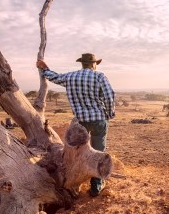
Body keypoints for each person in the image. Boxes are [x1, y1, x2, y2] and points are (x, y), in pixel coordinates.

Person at [36, 53, 115, 196]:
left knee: (80, 151)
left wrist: (44, 68)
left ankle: (74, 179)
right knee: (98, 150)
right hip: (98, 119)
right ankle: (96, 186)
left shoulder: (71, 76)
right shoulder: (99, 76)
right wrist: (110, 113)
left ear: (82, 63)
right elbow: (110, 96)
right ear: (93, 64)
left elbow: (53, 77)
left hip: (81, 122)